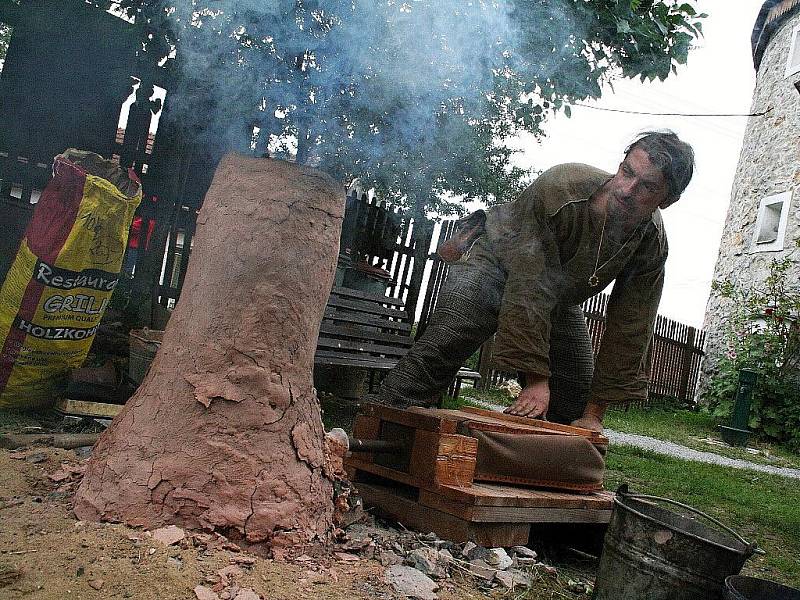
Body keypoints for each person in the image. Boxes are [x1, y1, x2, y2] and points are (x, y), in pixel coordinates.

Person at [367, 130, 695, 432]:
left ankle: (531, 469)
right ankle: (372, 437)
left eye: (647, 187)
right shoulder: (561, 189)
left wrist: (593, 415)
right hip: (494, 262)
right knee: (445, 344)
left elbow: (630, 328)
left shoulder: (651, 245)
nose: (627, 190)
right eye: (627, 172)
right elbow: (529, 283)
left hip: (556, 297)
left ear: (666, 200)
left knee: (575, 393)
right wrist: (536, 379)